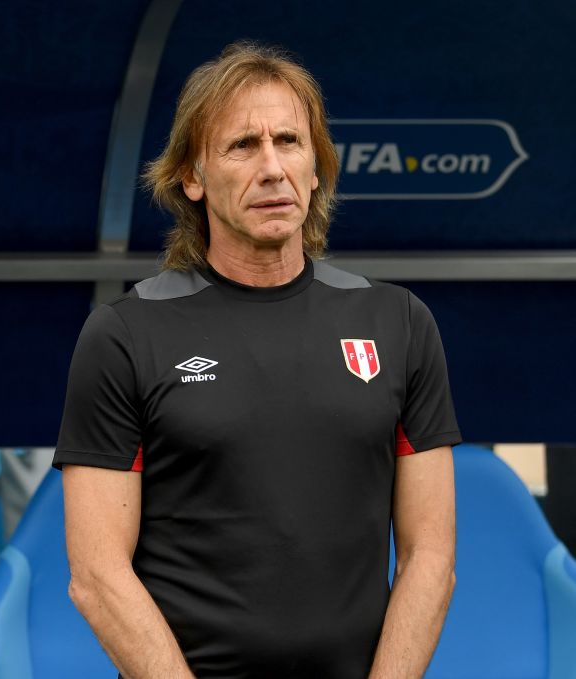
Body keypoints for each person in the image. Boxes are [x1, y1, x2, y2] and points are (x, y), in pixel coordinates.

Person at [55, 42, 458, 678]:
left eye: (290, 141)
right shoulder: (125, 334)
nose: (272, 167)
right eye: (243, 145)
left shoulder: (398, 322)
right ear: (192, 177)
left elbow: (430, 555)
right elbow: (97, 576)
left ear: (317, 167)